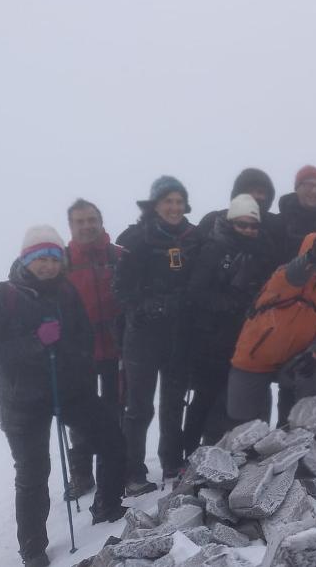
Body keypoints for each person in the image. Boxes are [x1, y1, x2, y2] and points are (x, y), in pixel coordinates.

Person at [0, 226, 126, 567]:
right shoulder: (2, 297)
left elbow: (84, 338)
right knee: (32, 472)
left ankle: (109, 505)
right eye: (40, 258)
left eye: (54, 258)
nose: (47, 265)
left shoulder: (66, 292)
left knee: (112, 438)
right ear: (26, 259)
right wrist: (36, 341)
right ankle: (32, 549)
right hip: (21, 401)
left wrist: (71, 359)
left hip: (69, 390)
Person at [112, 175, 204, 494]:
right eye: (168, 201)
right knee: (138, 406)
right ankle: (132, 470)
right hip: (142, 337)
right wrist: (145, 306)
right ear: (155, 204)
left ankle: (172, 461)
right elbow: (120, 288)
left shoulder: (193, 238)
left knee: (173, 402)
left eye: (179, 201)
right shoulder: (134, 239)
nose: (174, 207)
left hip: (180, 334)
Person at [185, 194, 279, 449]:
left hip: (247, 336)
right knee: (207, 396)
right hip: (211, 336)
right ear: (231, 222)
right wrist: (231, 303)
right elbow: (196, 291)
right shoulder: (213, 249)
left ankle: (241, 447)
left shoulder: (264, 250)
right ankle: (195, 452)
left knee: (241, 395)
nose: (248, 230)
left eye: (253, 225)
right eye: (242, 224)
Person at [227, 232, 316, 425]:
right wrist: (311, 257)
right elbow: (296, 272)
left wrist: (315, 353)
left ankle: (300, 431)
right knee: (242, 423)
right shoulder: (285, 276)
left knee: (313, 374)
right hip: (254, 358)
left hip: (293, 361)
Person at [63, 199, 125, 500]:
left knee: (115, 412)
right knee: (81, 417)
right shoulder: (61, 262)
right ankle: (81, 473)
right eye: (79, 221)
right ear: (71, 226)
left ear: (100, 221)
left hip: (116, 349)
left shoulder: (118, 256)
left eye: (91, 220)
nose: (87, 226)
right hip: (79, 354)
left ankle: (113, 468)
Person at [197, 167, 283, 249]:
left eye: (260, 192)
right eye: (248, 191)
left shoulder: (278, 226)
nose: (255, 196)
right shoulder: (212, 221)